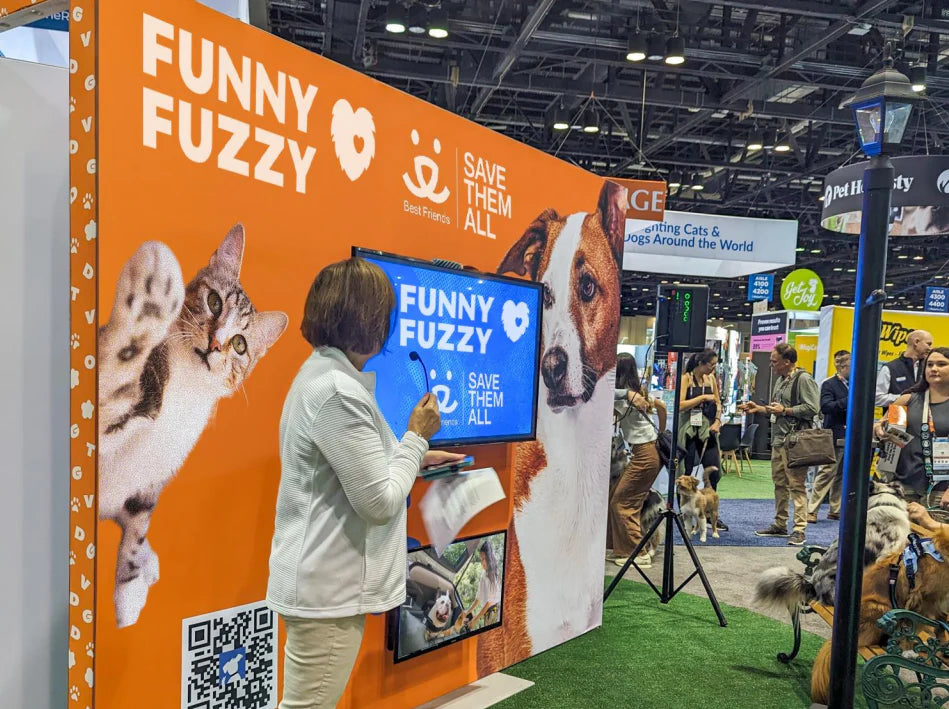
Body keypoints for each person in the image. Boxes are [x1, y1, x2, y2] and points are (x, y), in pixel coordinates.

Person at [266, 258, 465, 709]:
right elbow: (379, 501)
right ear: (370, 320)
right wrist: (416, 437)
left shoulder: (325, 377)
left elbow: (359, 470)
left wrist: (416, 457)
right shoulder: (337, 391)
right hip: (330, 592)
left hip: (324, 587)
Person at [740, 343, 820, 546]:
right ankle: (780, 523)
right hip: (779, 440)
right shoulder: (781, 380)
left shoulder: (803, 379)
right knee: (779, 483)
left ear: (787, 361)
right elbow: (776, 409)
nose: (771, 365)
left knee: (796, 485)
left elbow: (813, 408)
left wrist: (785, 410)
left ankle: (799, 529)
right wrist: (759, 408)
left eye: (774, 361)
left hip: (795, 441)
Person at [609, 353, 666, 568]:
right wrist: (660, 433)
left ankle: (637, 553)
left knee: (623, 503)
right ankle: (620, 549)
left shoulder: (625, 396)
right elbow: (662, 407)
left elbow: (600, 394)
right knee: (617, 497)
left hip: (644, 455)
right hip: (649, 452)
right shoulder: (640, 392)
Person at [874, 347, 949, 504]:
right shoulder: (907, 400)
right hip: (903, 485)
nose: (934, 369)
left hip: (941, 490)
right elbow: (887, 430)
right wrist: (879, 429)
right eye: (930, 364)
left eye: (941, 364)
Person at [678, 348, 728, 532]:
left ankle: (710, 514)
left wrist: (717, 421)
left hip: (708, 429)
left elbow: (718, 403)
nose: (713, 368)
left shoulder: (711, 379)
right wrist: (702, 397)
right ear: (700, 363)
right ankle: (684, 512)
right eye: (711, 364)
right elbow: (680, 405)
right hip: (687, 430)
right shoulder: (686, 379)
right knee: (685, 472)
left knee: (713, 470)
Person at [808, 350, 850, 523]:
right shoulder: (829, 384)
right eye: (850, 365)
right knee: (826, 473)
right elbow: (826, 407)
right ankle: (811, 509)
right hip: (834, 434)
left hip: (850, 434)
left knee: (842, 474)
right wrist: (849, 400)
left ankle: (835, 509)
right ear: (842, 366)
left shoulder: (855, 384)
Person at [876, 329, 933, 409]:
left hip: (923, 416)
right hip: (897, 416)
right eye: (928, 344)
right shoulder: (890, 368)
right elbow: (877, 398)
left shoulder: (929, 368)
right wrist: (904, 398)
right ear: (916, 342)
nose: (930, 348)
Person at [454, 543, 502, 633]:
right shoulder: (484, 574)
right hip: (488, 612)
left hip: (495, 612)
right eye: (481, 559)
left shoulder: (493, 574)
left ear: (489, 558)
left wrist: (475, 620)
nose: (481, 562)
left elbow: (489, 602)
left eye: (484, 559)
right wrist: (467, 611)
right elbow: (478, 597)